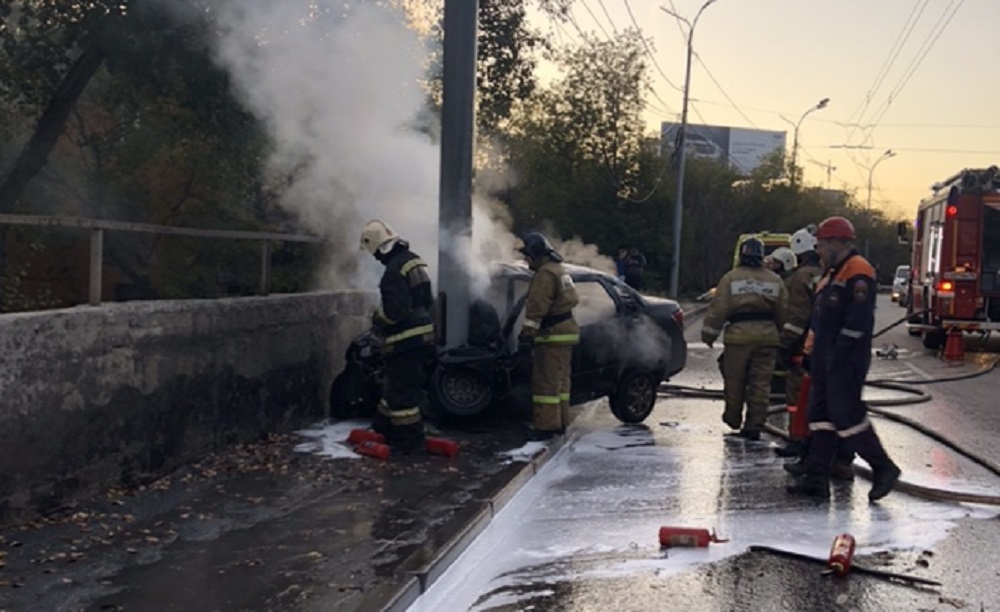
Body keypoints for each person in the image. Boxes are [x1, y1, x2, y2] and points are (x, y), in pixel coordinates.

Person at [786, 216, 901, 500]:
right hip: (826, 356)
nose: (819, 251)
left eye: (822, 245)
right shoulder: (831, 274)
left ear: (838, 243)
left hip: (846, 358)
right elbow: (820, 320)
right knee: (820, 416)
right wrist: (811, 354)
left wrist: (839, 355)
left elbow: (858, 320)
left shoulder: (857, 271)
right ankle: (816, 476)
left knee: (846, 415)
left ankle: (883, 467)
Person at [360, 219, 436, 455]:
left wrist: (377, 320)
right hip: (422, 337)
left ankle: (409, 443)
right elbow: (426, 300)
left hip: (404, 340)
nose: (375, 258)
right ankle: (382, 427)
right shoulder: (412, 261)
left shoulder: (393, 272)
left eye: (374, 253)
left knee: (403, 396)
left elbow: (395, 312)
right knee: (396, 387)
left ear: (379, 247)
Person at [701, 237, 788, 440]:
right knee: (761, 384)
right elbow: (783, 311)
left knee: (735, 380)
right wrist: (784, 336)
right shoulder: (775, 280)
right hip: (767, 339)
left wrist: (709, 334)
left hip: (738, 338)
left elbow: (719, 308)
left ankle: (733, 418)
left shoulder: (731, 278)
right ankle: (754, 425)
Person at [516, 232, 580, 440]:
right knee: (561, 383)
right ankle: (560, 422)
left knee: (546, 383)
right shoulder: (558, 270)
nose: (526, 260)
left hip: (552, 335)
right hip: (566, 332)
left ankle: (546, 427)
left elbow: (536, 309)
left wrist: (526, 336)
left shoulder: (544, 275)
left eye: (527, 255)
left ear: (536, 254)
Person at [774, 230, 823, 459]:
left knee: (796, 393)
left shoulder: (799, 278)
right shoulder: (827, 273)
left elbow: (797, 317)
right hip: (826, 344)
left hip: (803, 345)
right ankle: (817, 441)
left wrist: (784, 346)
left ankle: (797, 439)